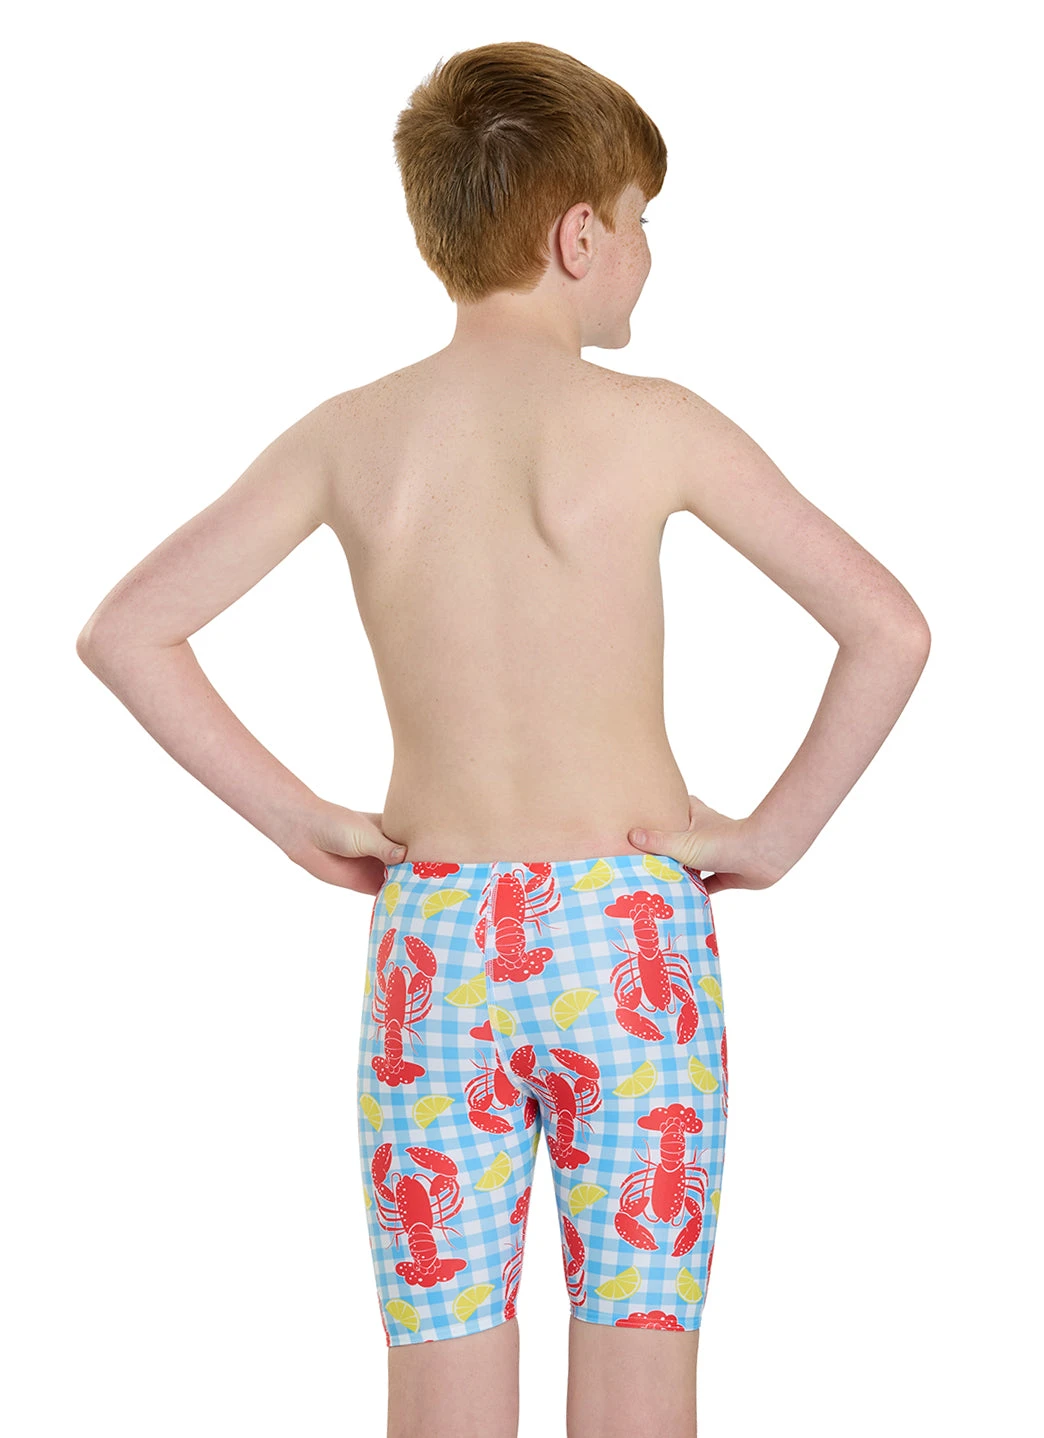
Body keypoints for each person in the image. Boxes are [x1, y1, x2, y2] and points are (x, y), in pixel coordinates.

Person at [75, 38, 930, 1438]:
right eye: (643, 222)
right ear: (580, 235)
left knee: (440, 1373)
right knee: (642, 1359)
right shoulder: (655, 425)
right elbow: (889, 628)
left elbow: (129, 630)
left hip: (437, 941)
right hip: (633, 934)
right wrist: (773, 837)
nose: (649, 255)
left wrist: (301, 820)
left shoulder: (353, 436)